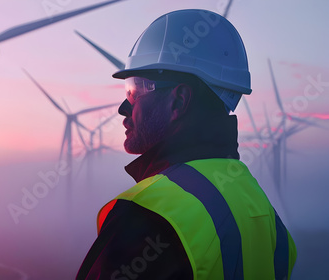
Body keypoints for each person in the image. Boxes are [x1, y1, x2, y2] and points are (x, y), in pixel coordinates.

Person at [76, 9, 297, 280]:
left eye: (135, 89)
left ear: (179, 100)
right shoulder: (262, 211)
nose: (124, 108)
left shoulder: (149, 218)